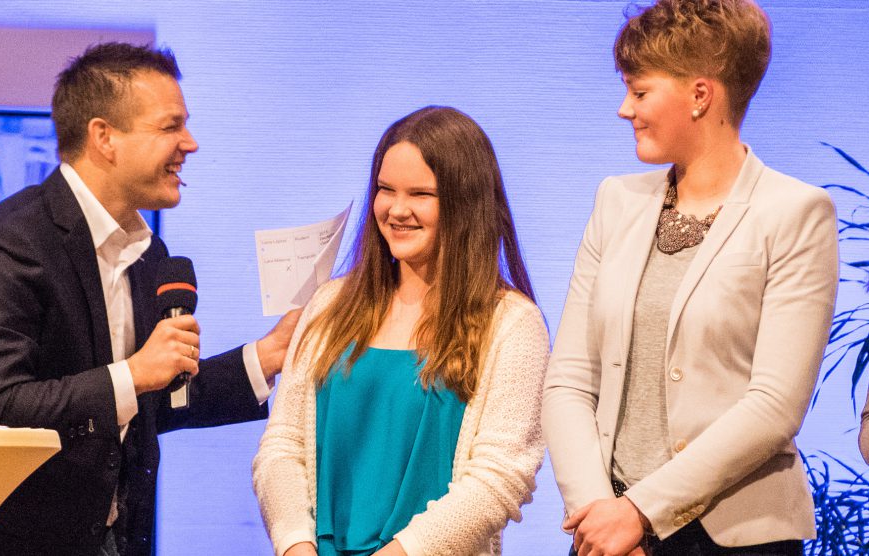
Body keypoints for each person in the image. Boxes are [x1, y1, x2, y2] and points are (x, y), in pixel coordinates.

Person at [0, 42, 300, 556]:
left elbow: (145, 406)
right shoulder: (6, 244)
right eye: (170, 127)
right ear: (104, 137)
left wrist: (266, 357)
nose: (190, 143)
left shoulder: (147, 252)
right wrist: (134, 373)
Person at [541, 1, 839, 555]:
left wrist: (641, 512)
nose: (624, 109)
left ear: (700, 95)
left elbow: (774, 404)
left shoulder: (795, 212)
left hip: (733, 540)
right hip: (608, 535)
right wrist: (600, 515)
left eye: (640, 91)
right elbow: (569, 381)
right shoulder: (616, 201)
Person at [252, 106, 548, 556]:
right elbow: (282, 446)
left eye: (420, 194)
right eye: (385, 190)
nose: (396, 209)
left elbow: (500, 477)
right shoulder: (331, 304)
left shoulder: (511, 322)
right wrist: (296, 545)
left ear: (465, 202)